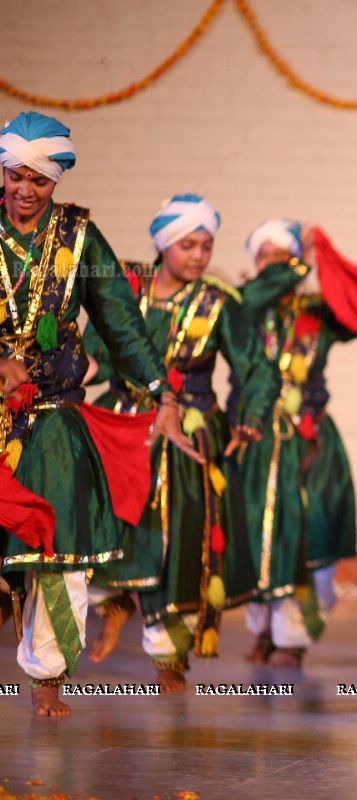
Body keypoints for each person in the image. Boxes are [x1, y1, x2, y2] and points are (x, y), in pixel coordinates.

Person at [0, 111, 192, 716]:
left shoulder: (82, 238)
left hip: (53, 418)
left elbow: (120, 321)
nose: (25, 190)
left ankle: (48, 681)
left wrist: (162, 391)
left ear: (57, 180)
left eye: (39, 179)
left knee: (61, 548)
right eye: (14, 175)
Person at [82, 194, 280, 690]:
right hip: (124, 424)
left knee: (181, 545)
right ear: (164, 243)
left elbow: (257, 367)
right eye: (188, 244)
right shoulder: (127, 287)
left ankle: (169, 655)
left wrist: (250, 419)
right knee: (99, 523)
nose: (198, 255)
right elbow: (98, 356)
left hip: (189, 436)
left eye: (206, 245)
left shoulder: (218, 303)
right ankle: (113, 603)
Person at [236, 186, 357, 668]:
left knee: (308, 536)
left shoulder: (317, 312)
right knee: (257, 534)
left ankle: (293, 636)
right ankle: (263, 631)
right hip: (254, 441)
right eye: (265, 255)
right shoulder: (240, 310)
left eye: (283, 254)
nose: (273, 263)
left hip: (309, 442)